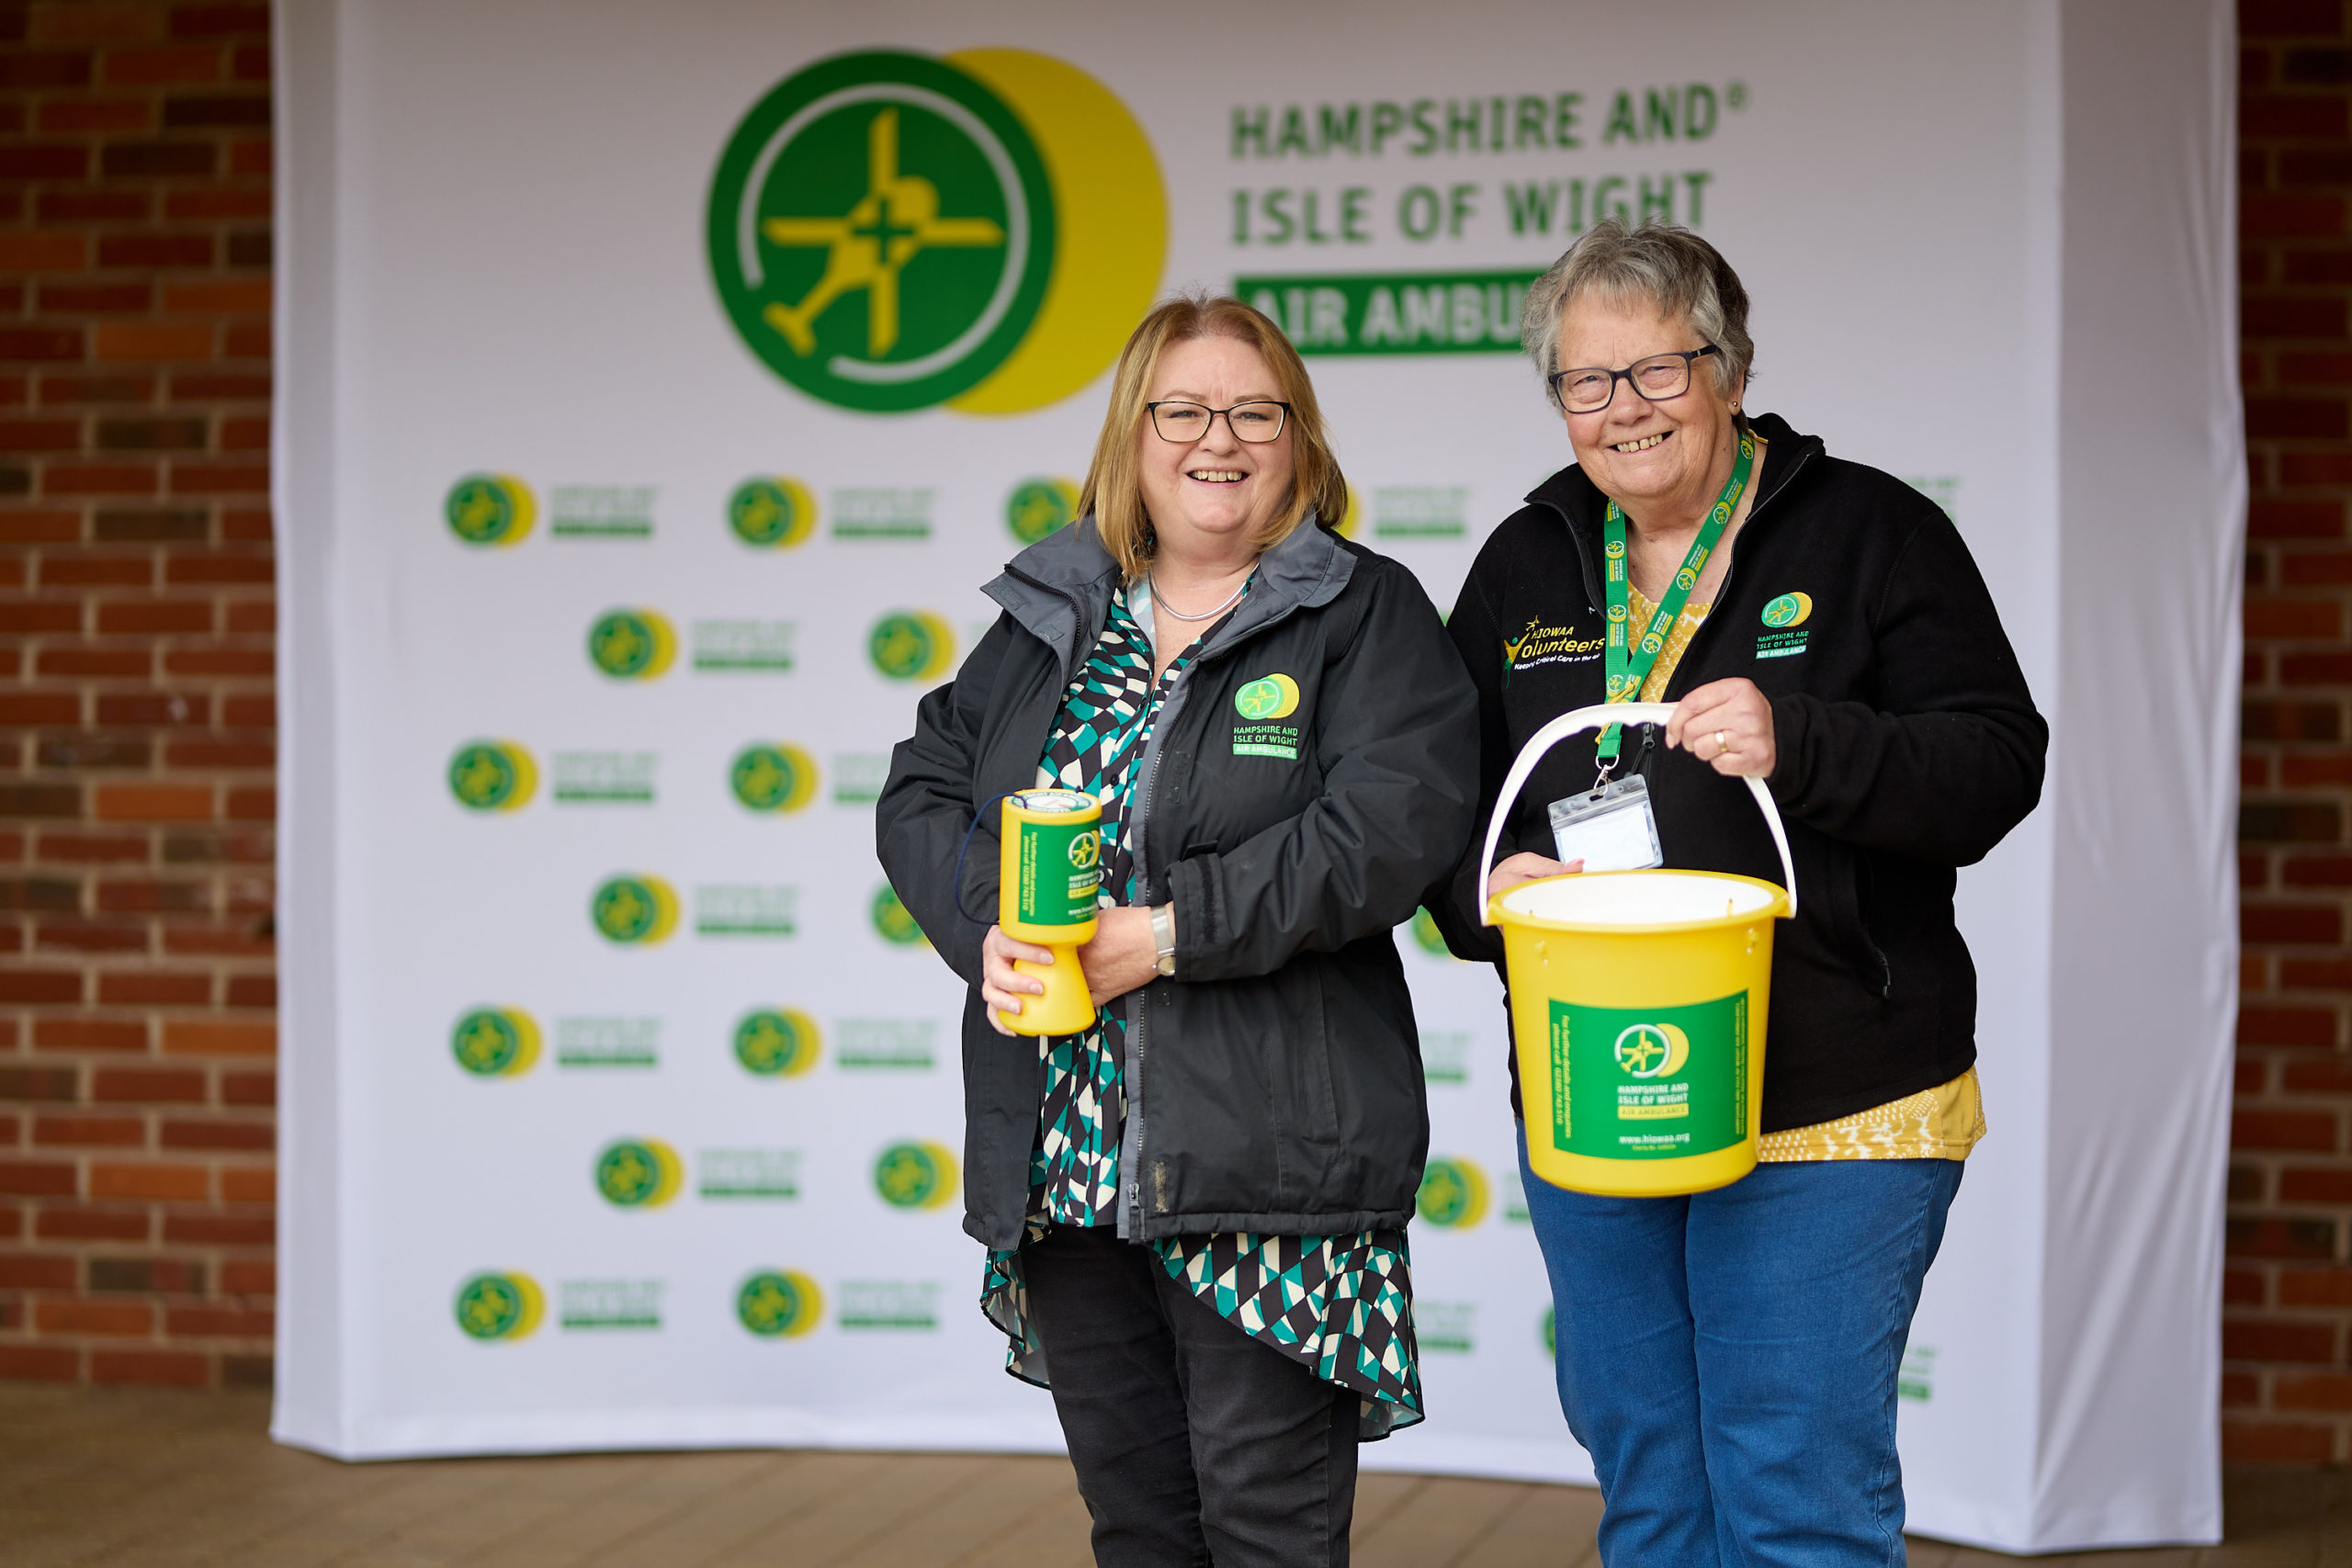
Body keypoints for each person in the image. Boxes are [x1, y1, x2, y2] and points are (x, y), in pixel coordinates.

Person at [1430, 220, 2047, 1566]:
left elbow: (2000, 763)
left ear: (1731, 369)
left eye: (1658, 371)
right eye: (1586, 382)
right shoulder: (1528, 561)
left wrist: (1804, 741)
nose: (1621, 412)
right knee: (1650, 1482)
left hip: (1833, 1097)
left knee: (1792, 1494)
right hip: (1603, 1079)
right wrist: (1493, 883)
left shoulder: (1875, 530)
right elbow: (1440, 799)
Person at [876, 293, 1477, 1568]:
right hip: (1070, 1166)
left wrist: (1165, 936)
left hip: (1269, 1170)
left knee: (1267, 1537)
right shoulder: (1057, 615)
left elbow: (1385, 831)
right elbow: (924, 784)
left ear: (1300, 442)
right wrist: (992, 925)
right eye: (1186, 410)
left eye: (1257, 411)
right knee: (1141, 1532)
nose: (1222, 439)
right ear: (1133, 438)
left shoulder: (1361, 612)